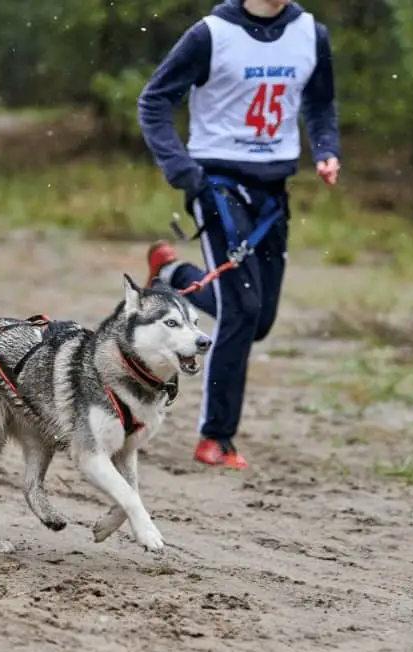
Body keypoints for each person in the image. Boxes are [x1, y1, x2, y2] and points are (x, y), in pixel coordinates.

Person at [137, 0, 341, 470]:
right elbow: (154, 100)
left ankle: (171, 274)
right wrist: (183, 171)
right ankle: (216, 438)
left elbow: (320, 101)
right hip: (217, 184)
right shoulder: (210, 34)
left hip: (273, 191)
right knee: (242, 310)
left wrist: (326, 148)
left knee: (260, 320)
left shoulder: (312, 34)